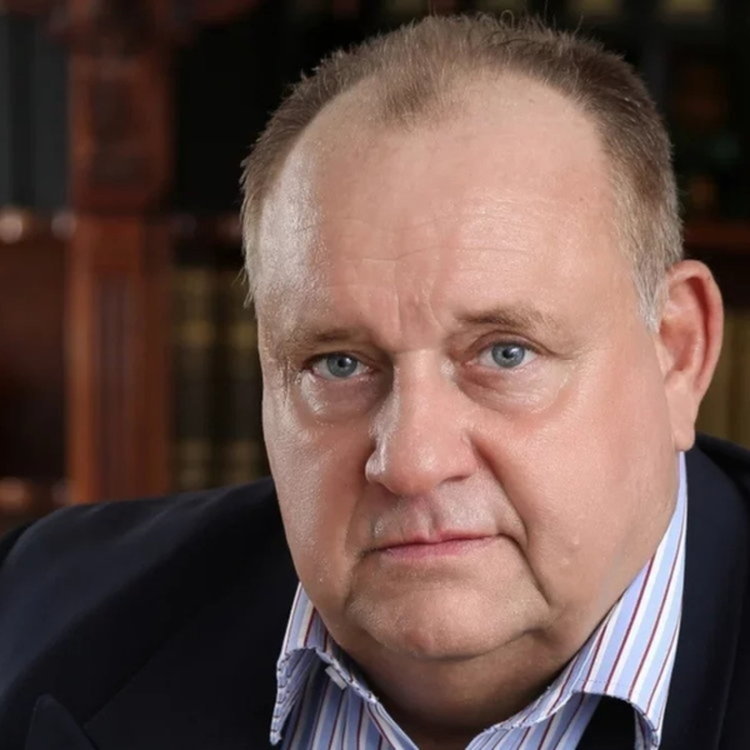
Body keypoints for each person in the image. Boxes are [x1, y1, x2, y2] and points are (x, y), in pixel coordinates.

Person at [1, 13, 749, 750]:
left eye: (504, 354)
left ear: (677, 353)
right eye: (339, 364)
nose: (413, 463)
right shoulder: (34, 616)